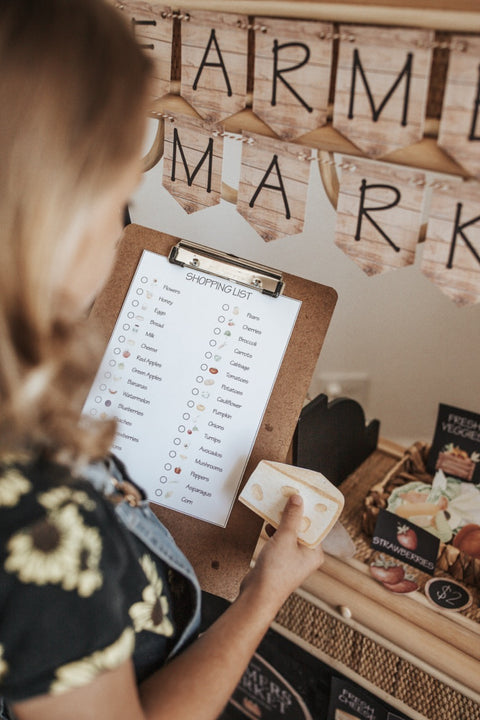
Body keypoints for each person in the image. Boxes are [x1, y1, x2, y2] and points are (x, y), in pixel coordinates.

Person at [0, 1, 325, 718]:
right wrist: (264, 592)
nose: (120, 238)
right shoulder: (42, 519)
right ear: (52, 216)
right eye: (119, 206)